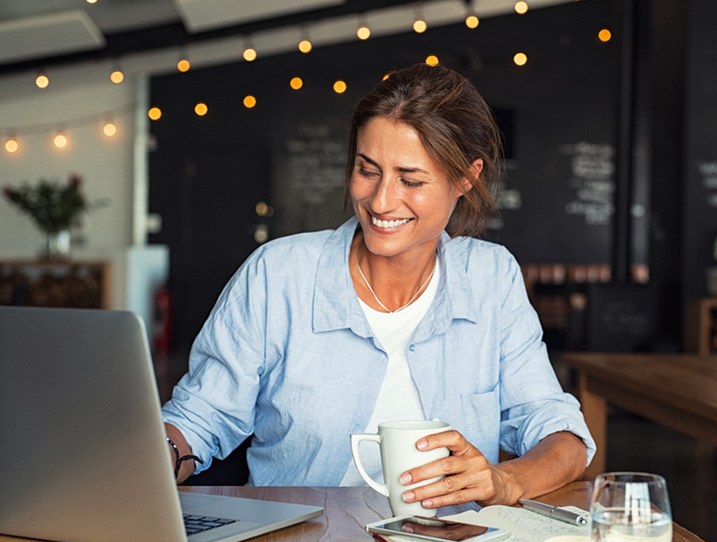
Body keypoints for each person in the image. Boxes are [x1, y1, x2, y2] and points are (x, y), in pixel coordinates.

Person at [161, 63, 595, 510]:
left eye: (411, 180)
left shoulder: (490, 278)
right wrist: (154, 457)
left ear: (466, 178)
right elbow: (200, 416)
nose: (381, 201)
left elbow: (562, 436)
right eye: (368, 170)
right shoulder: (279, 273)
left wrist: (504, 481)